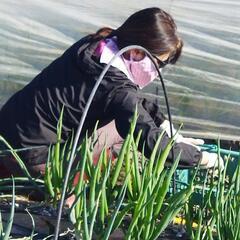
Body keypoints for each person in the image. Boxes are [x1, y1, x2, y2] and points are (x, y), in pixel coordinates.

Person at [0, 7, 223, 178]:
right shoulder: (117, 89)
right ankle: (69, 195)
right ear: (136, 52)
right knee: (120, 133)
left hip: (6, 130)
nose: (158, 71)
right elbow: (152, 144)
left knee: (120, 123)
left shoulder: (94, 45)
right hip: (30, 157)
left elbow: (128, 99)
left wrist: (165, 125)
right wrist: (203, 159)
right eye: (159, 63)